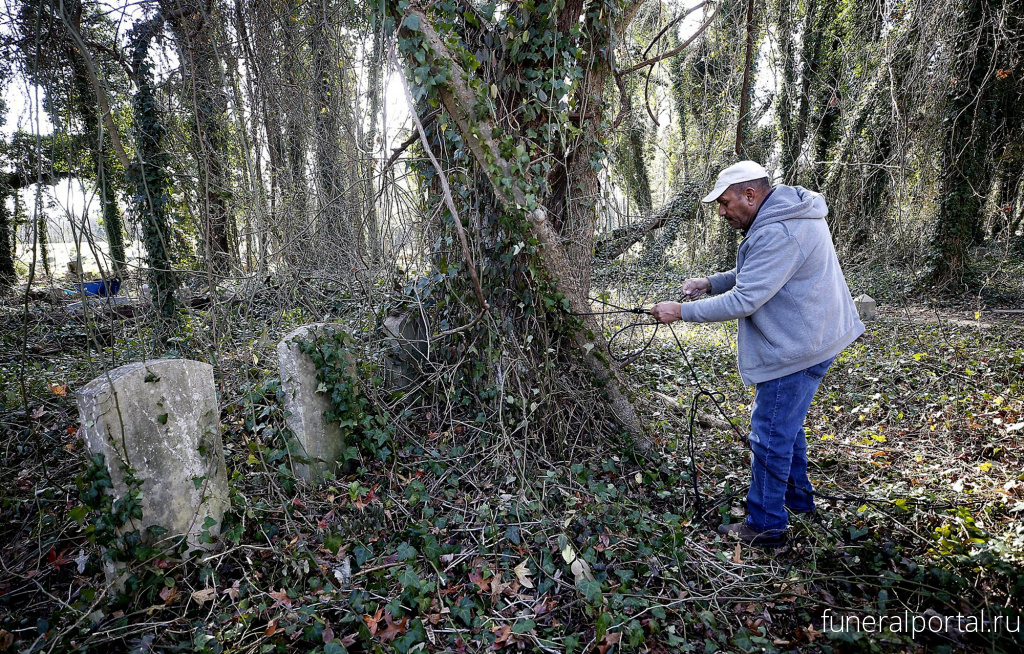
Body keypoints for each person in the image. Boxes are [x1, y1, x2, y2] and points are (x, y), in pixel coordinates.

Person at [651, 160, 864, 547]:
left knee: (769, 434)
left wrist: (680, 311)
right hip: (816, 336)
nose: (722, 212)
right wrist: (710, 282)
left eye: (726, 202)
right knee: (786, 425)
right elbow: (761, 272)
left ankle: (767, 526)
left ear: (750, 195)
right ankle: (798, 502)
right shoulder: (783, 214)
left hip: (800, 347)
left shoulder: (780, 228)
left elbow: (747, 297)